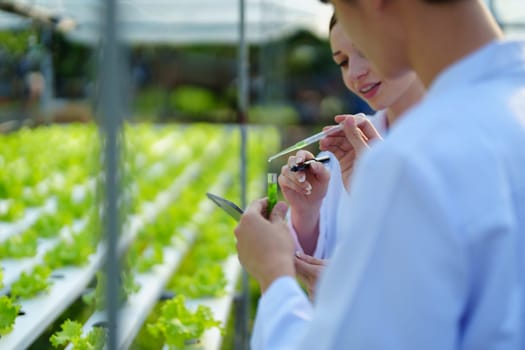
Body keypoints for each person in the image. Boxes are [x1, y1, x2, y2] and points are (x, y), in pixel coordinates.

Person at [234, 0, 525, 349]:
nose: (355, 71)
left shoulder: (414, 158)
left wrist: (273, 273)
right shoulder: (505, 112)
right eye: (342, 61)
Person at [280, 14, 425, 297]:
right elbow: (327, 251)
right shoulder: (348, 149)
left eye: (366, 50)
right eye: (343, 62)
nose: (354, 73)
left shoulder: (460, 147)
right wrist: (306, 212)